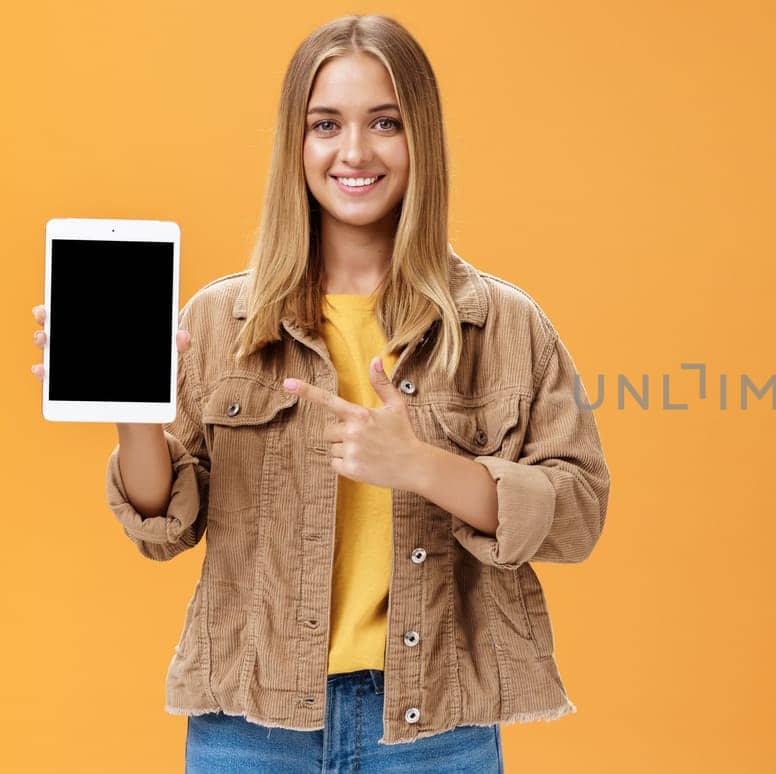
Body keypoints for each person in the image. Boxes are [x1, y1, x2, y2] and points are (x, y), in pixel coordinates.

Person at [27, 15, 610, 773]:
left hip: (435, 729)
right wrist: (136, 421)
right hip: (249, 726)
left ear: (421, 139)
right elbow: (163, 530)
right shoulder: (220, 321)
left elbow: (579, 516)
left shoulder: (503, 325)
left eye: (385, 123)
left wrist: (425, 467)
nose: (354, 152)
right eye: (326, 124)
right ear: (295, 144)